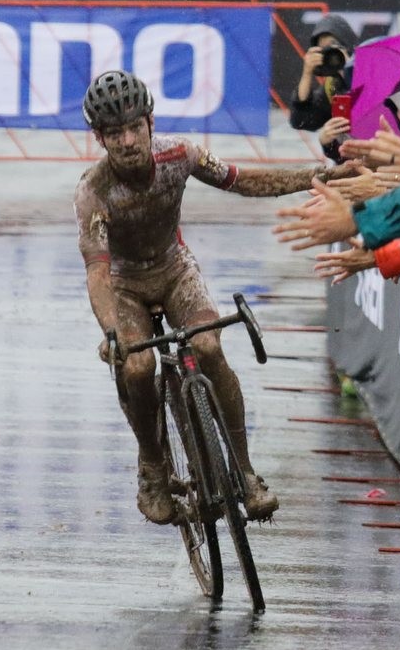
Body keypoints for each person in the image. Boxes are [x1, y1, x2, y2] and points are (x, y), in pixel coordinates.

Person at [74, 70, 354, 524]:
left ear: (150, 121)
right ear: (100, 139)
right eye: (114, 133)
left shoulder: (180, 153)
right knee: (139, 365)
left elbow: (244, 182)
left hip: (173, 269)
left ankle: (245, 472)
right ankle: (152, 466)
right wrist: (112, 331)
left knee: (207, 345)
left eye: (134, 127)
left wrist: (319, 176)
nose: (127, 141)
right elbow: (98, 272)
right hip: (124, 287)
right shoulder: (93, 191)